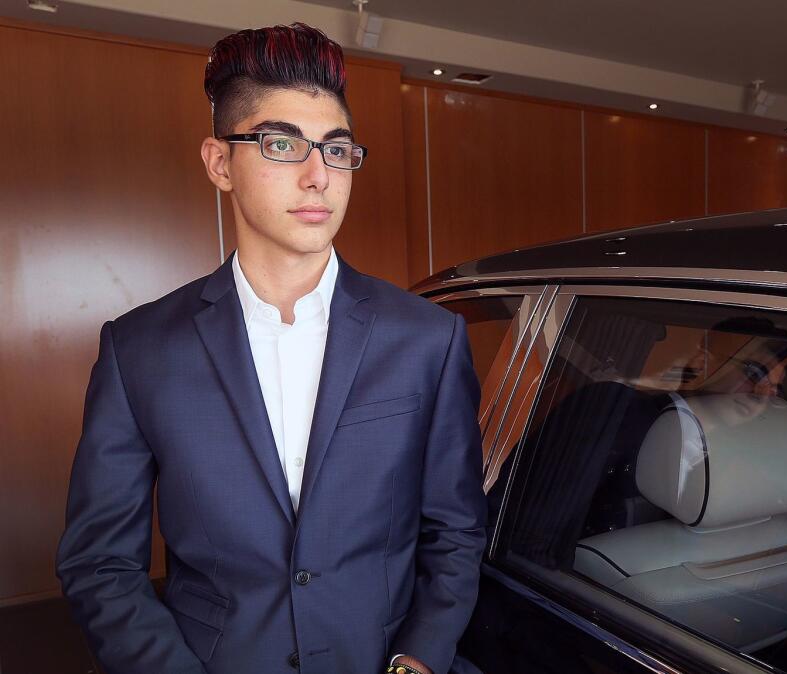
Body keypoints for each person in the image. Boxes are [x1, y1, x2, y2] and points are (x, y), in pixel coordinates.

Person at [55, 23, 485, 674]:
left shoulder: (427, 337)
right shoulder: (139, 350)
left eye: (336, 149)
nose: (318, 176)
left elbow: (454, 529)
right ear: (220, 163)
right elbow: (100, 563)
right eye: (282, 144)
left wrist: (419, 658)